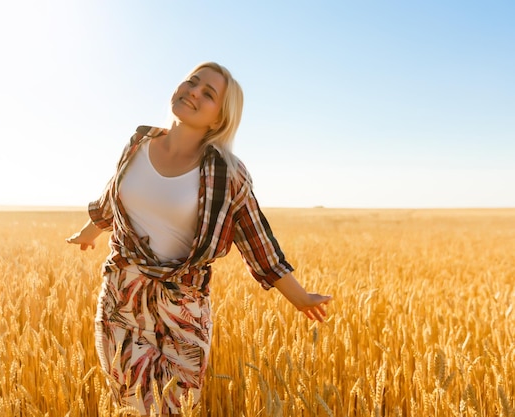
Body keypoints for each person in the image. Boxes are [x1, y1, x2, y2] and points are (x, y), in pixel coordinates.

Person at [67, 62, 331, 416]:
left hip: (185, 309)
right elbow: (112, 198)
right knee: (131, 406)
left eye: (208, 94)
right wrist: (90, 231)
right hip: (122, 297)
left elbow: (257, 241)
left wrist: (300, 297)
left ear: (219, 118)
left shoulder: (227, 173)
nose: (193, 91)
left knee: (178, 408)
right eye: (192, 82)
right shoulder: (137, 145)